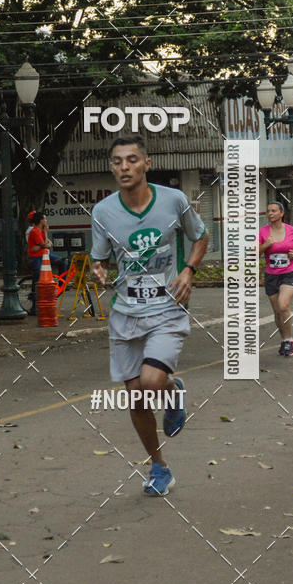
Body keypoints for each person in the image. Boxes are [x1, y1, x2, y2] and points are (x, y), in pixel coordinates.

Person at [91, 137, 209, 497]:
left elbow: (200, 237)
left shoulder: (174, 201)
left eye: (131, 160)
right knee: (138, 400)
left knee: (153, 382)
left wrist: (188, 271)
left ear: (146, 164)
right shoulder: (103, 212)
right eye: (117, 161)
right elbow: (100, 258)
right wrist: (99, 270)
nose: (124, 167)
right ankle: (159, 467)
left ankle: (171, 391)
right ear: (112, 168)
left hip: (166, 308)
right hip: (125, 314)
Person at [258, 201, 293, 357]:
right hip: (272, 276)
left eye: (273, 210)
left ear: (281, 213)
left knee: (283, 305)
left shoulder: (291, 230)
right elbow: (255, 253)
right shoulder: (263, 232)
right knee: (277, 312)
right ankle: (284, 340)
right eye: (268, 211)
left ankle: (290, 340)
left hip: (289, 273)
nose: (270, 213)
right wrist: (266, 245)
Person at [27, 211, 51, 316]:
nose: (46, 221)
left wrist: (42, 245)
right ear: (40, 220)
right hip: (36, 258)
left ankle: (60, 285)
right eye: (44, 219)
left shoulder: (40, 231)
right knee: (37, 281)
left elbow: (48, 244)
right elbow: (45, 244)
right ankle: (34, 306)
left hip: (43, 256)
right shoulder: (34, 231)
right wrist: (44, 244)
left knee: (62, 261)